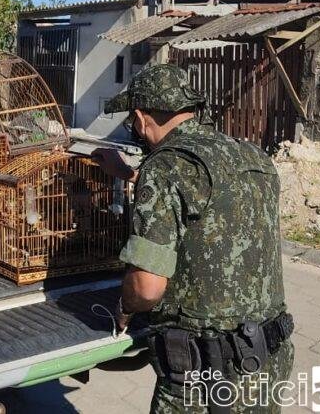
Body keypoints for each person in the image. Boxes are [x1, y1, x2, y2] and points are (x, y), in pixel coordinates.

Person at [93, 64, 294, 413]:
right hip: (268, 360)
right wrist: (128, 173)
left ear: (141, 119)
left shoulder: (166, 168)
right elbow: (206, 193)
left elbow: (146, 288)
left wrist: (124, 308)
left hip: (206, 376)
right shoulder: (253, 156)